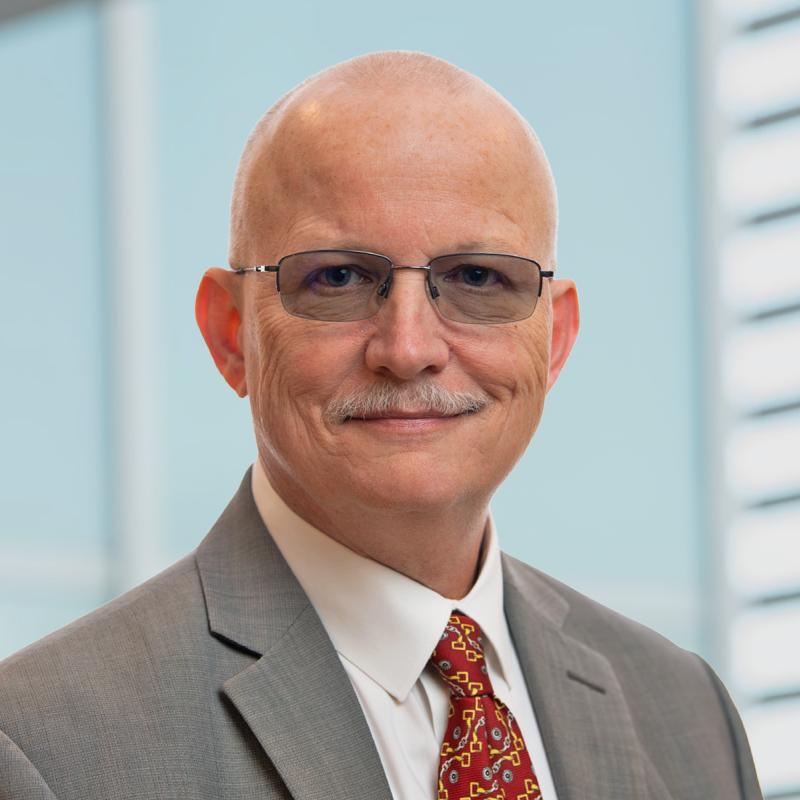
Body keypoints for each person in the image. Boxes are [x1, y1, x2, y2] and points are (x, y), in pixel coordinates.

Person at [0, 51, 761, 800]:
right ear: (231, 334)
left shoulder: (688, 716)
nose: (408, 349)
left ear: (554, 340)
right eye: (337, 277)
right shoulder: (44, 747)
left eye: (476, 278)